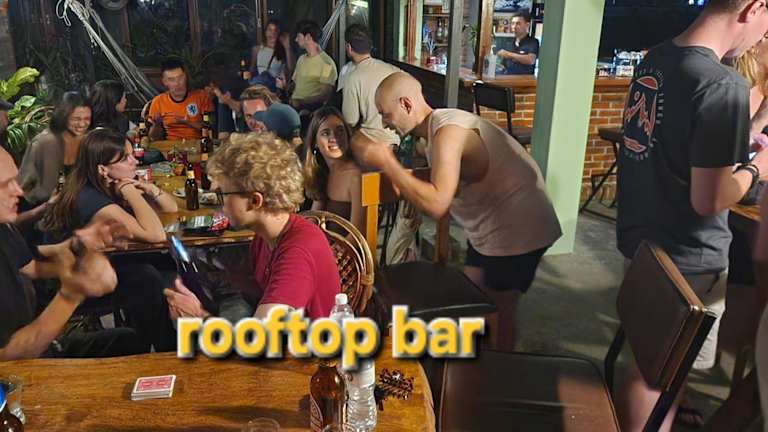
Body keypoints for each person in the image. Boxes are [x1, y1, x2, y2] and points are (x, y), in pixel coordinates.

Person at [615, 0, 768, 430]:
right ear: (754, 8)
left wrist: (747, 136)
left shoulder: (656, 59)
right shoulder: (722, 83)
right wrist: (759, 167)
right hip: (688, 258)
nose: (763, 38)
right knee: (656, 379)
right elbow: (710, 199)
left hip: (643, 244)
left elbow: (674, 145)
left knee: (650, 365)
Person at [357, 72, 562, 351]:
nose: (384, 122)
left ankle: (501, 370)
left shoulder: (448, 132)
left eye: (385, 114)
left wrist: (387, 163)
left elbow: (437, 203)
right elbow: (448, 178)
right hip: (491, 231)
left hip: (519, 227)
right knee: (474, 306)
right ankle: (478, 366)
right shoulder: (434, 133)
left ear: (406, 104)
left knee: (498, 315)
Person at [164, 132, 341, 322]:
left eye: (221, 194)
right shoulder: (266, 236)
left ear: (255, 201)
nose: (218, 204)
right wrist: (222, 277)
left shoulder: (297, 252)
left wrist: (200, 316)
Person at [0, 146, 145, 360]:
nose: (18, 191)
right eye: (4, 185)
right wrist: (71, 294)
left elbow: (31, 267)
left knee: (129, 340)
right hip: (22, 368)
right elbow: (8, 356)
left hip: (44, 345)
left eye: (15, 180)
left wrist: (80, 247)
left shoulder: (4, 228)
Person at [42, 128, 177, 352]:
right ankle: (163, 349)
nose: (135, 161)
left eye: (132, 154)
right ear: (102, 169)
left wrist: (149, 188)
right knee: (146, 277)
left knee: (160, 264)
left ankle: (151, 340)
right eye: (125, 158)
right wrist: (129, 190)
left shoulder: (101, 185)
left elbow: (170, 209)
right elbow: (156, 235)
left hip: (98, 265)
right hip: (75, 282)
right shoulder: (91, 199)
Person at [18, 91, 91, 207]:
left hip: (78, 200)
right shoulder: (46, 142)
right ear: (63, 117)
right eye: (76, 119)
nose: (82, 124)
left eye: (87, 118)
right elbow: (34, 188)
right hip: (43, 205)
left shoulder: (87, 139)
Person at [303, 107, 363, 233]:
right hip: (323, 242)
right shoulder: (322, 172)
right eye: (326, 133)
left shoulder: (355, 176)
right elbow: (314, 219)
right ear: (315, 142)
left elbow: (358, 234)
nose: (334, 137)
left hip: (346, 245)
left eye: (340, 130)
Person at [342, 24, 401, 148]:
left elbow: (350, 120)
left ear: (349, 48)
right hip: (396, 143)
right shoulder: (394, 70)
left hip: (370, 146)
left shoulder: (352, 77)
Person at [147, 58, 213, 141]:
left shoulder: (201, 96)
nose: (177, 83)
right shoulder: (158, 101)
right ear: (165, 82)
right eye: (171, 79)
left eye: (180, 78)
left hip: (197, 143)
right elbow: (153, 137)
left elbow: (211, 128)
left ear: (186, 77)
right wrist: (157, 124)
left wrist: (188, 122)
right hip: (170, 145)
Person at [279, 20, 338, 112]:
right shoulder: (301, 59)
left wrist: (301, 102)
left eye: (298, 36)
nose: (296, 40)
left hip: (310, 110)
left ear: (308, 37)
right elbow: (295, 85)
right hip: (293, 106)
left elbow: (324, 95)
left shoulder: (326, 63)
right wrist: (284, 86)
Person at [249, 19, 295, 91]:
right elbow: (252, 69)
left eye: (275, 30)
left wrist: (287, 47)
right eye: (270, 30)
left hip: (274, 87)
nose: (272, 33)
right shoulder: (257, 49)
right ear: (265, 32)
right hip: (260, 87)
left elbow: (291, 68)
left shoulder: (283, 50)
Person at [496, 11, 539, 75]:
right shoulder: (509, 43)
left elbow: (531, 60)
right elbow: (503, 65)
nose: (514, 26)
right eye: (513, 23)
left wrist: (509, 54)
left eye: (518, 24)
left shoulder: (533, 42)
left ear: (527, 25)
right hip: (507, 79)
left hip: (525, 80)